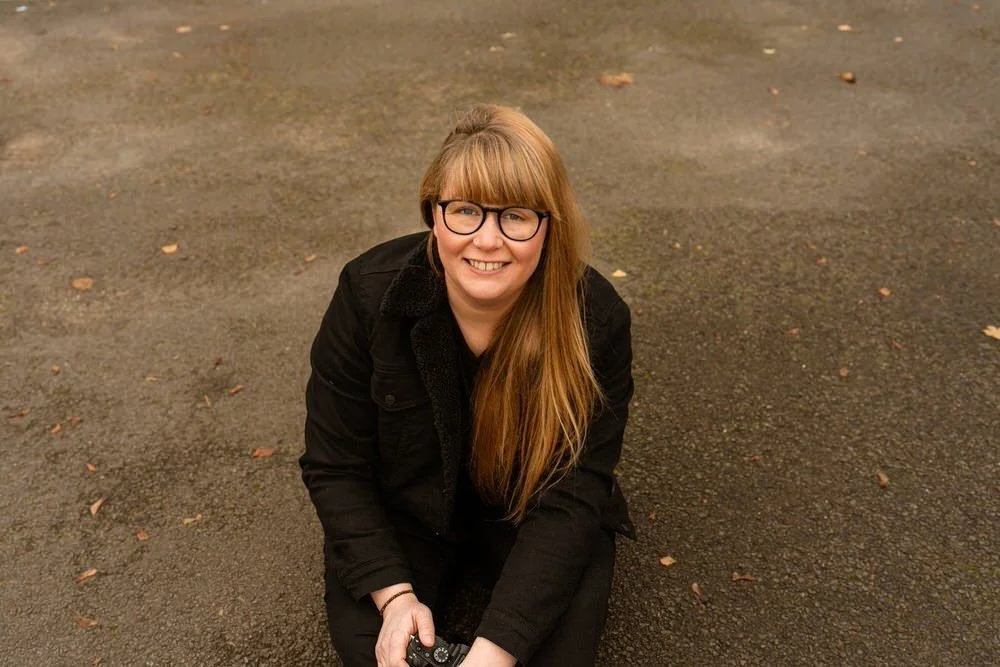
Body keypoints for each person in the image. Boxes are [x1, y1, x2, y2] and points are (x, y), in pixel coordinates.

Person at [300, 104, 637, 667]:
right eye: (466, 211)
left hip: (533, 513)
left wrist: (498, 649)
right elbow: (336, 466)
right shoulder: (366, 295)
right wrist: (394, 595)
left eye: (516, 217)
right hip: (404, 512)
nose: (487, 240)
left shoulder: (593, 320)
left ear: (549, 227)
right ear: (434, 214)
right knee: (380, 655)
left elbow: (575, 493)